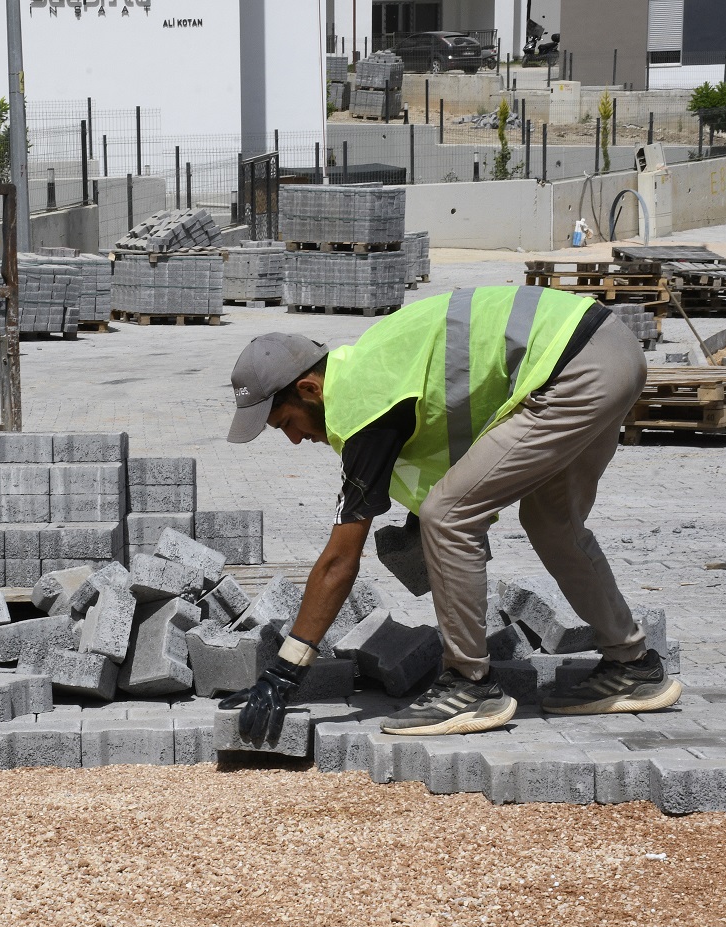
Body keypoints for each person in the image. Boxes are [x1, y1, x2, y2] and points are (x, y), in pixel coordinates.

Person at [220, 285, 682, 742]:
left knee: (449, 516)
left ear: (309, 388)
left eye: (286, 424)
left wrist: (283, 673)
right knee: (551, 523)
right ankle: (633, 666)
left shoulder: (363, 407)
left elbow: (341, 560)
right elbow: (455, 419)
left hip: (569, 369)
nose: (296, 440)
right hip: (608, 348)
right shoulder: (368, 368)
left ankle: (470, 685)